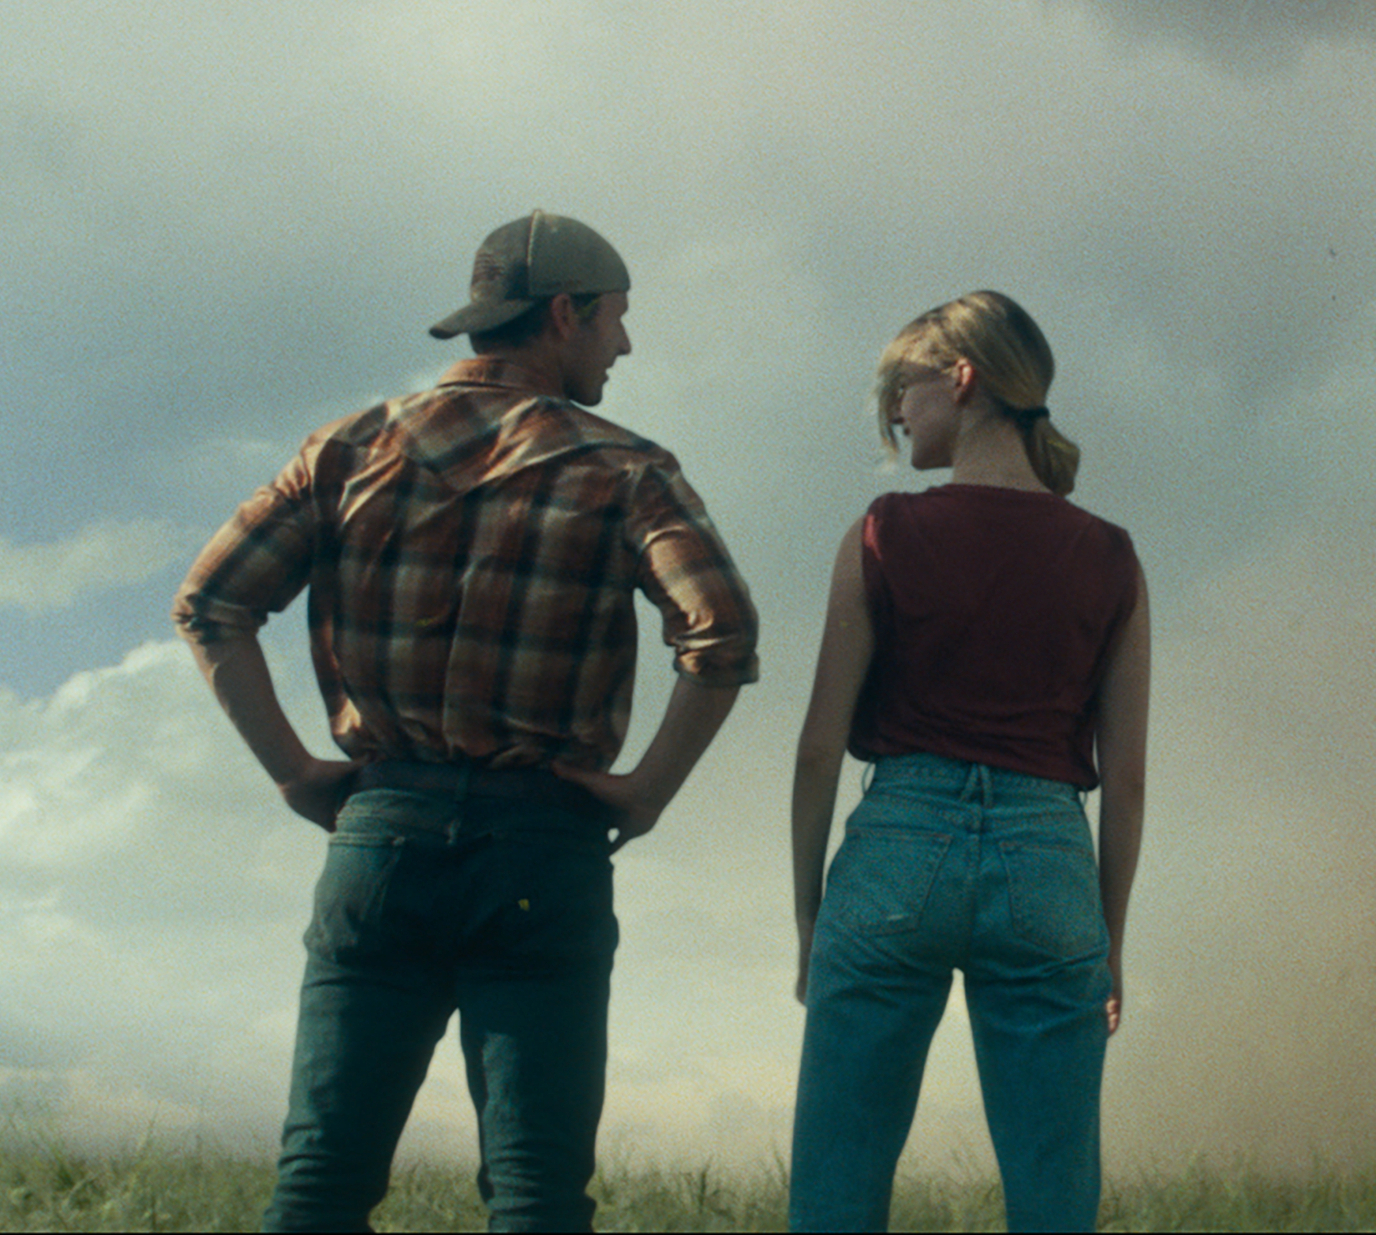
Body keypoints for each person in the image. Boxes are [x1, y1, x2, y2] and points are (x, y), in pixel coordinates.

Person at [173, 210, 758, 1233]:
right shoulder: (626, 468)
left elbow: (212, 603)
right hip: (543, 849)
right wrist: (649, 790)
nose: (624, 344)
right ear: (564, 313)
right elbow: (722, 631)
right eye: (617, 319)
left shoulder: (345, 448)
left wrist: (294, 772)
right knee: (535, 1193)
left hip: (380, 835)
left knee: (320, 1181)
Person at [788, 290, 1150, 1233]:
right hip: (1048, 861)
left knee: (837, 1186)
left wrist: (808, 920)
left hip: (896, 851)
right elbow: (1130, 776)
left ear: (962, 377)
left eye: (902, 388)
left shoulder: (884, 532)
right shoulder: (1112, 556)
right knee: (1054, 1196)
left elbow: (820, 747)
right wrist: (1108, 939)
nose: (896, 413)